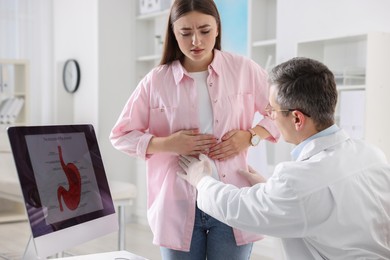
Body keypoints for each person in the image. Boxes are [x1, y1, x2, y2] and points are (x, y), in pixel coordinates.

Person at [109, 0, 279, 259]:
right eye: (185, 33)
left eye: (204, 30)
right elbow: (120, 135)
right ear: (173, 33)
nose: (196, 41)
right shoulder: (156, 81)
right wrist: (168, 143)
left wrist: (251, 136)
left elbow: (283, 113)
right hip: (176, 204)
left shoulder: (244, 69)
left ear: (218, 29)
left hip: (232, 198)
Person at [178, 57, 390, 260]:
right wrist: (271, 189)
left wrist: (202, 180)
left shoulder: (300, 180)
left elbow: (240, 209)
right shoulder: (371, 154)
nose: (269, 115)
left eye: (272, 110)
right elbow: (325, 205)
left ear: (297, 118)